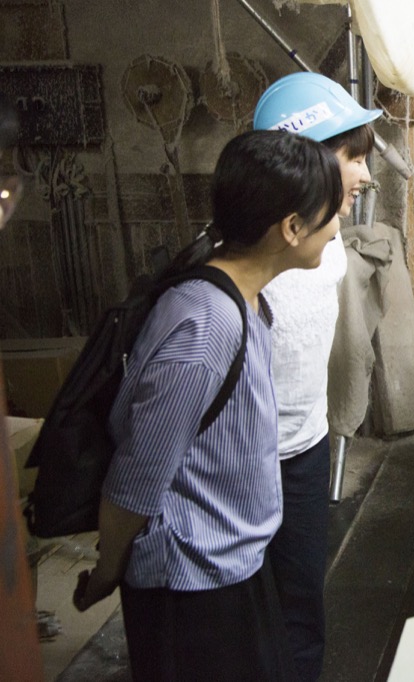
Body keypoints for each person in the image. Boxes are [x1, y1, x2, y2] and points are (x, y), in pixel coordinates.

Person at [72, 129, 344, 681]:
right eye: (332, 212)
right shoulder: (205, 328)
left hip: (231, 568)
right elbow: (135, 481)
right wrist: (106, 572)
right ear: (292, 228)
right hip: (191, 586)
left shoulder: (243, 300)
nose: (338, 225)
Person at [253, 72, 380, 682]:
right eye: (352, 156)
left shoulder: (326, 246)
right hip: (241, 465)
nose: (365, 173)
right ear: (301, 160)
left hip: (305, 449)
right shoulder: (246, 258)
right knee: (248, 619)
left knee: (304, 608)